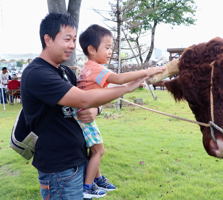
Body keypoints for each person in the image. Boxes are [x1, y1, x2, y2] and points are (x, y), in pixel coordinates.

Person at [21, 13, 164, 200]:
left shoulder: (64, 72)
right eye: (67, 39)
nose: (72, 45)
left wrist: (97, 110)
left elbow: (86, 103)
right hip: (59, 169)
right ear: (48, 39)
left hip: (76, 161)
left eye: (74, 39)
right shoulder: (37, 74)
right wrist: (127, 88)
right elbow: (83, 99)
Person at [77, 24, 164, 198]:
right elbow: (119, 78)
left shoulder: (86, 67)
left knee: (95, 150)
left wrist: (137, 81)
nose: (110, 52)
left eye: (112, 48)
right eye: (107, 48)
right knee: (99, 151)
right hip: (85, 117)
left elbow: (116, 84)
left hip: (81, 115)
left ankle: (97, 179)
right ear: (92, 49)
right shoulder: (95, 68)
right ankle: (87, 187)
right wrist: (149, 71)